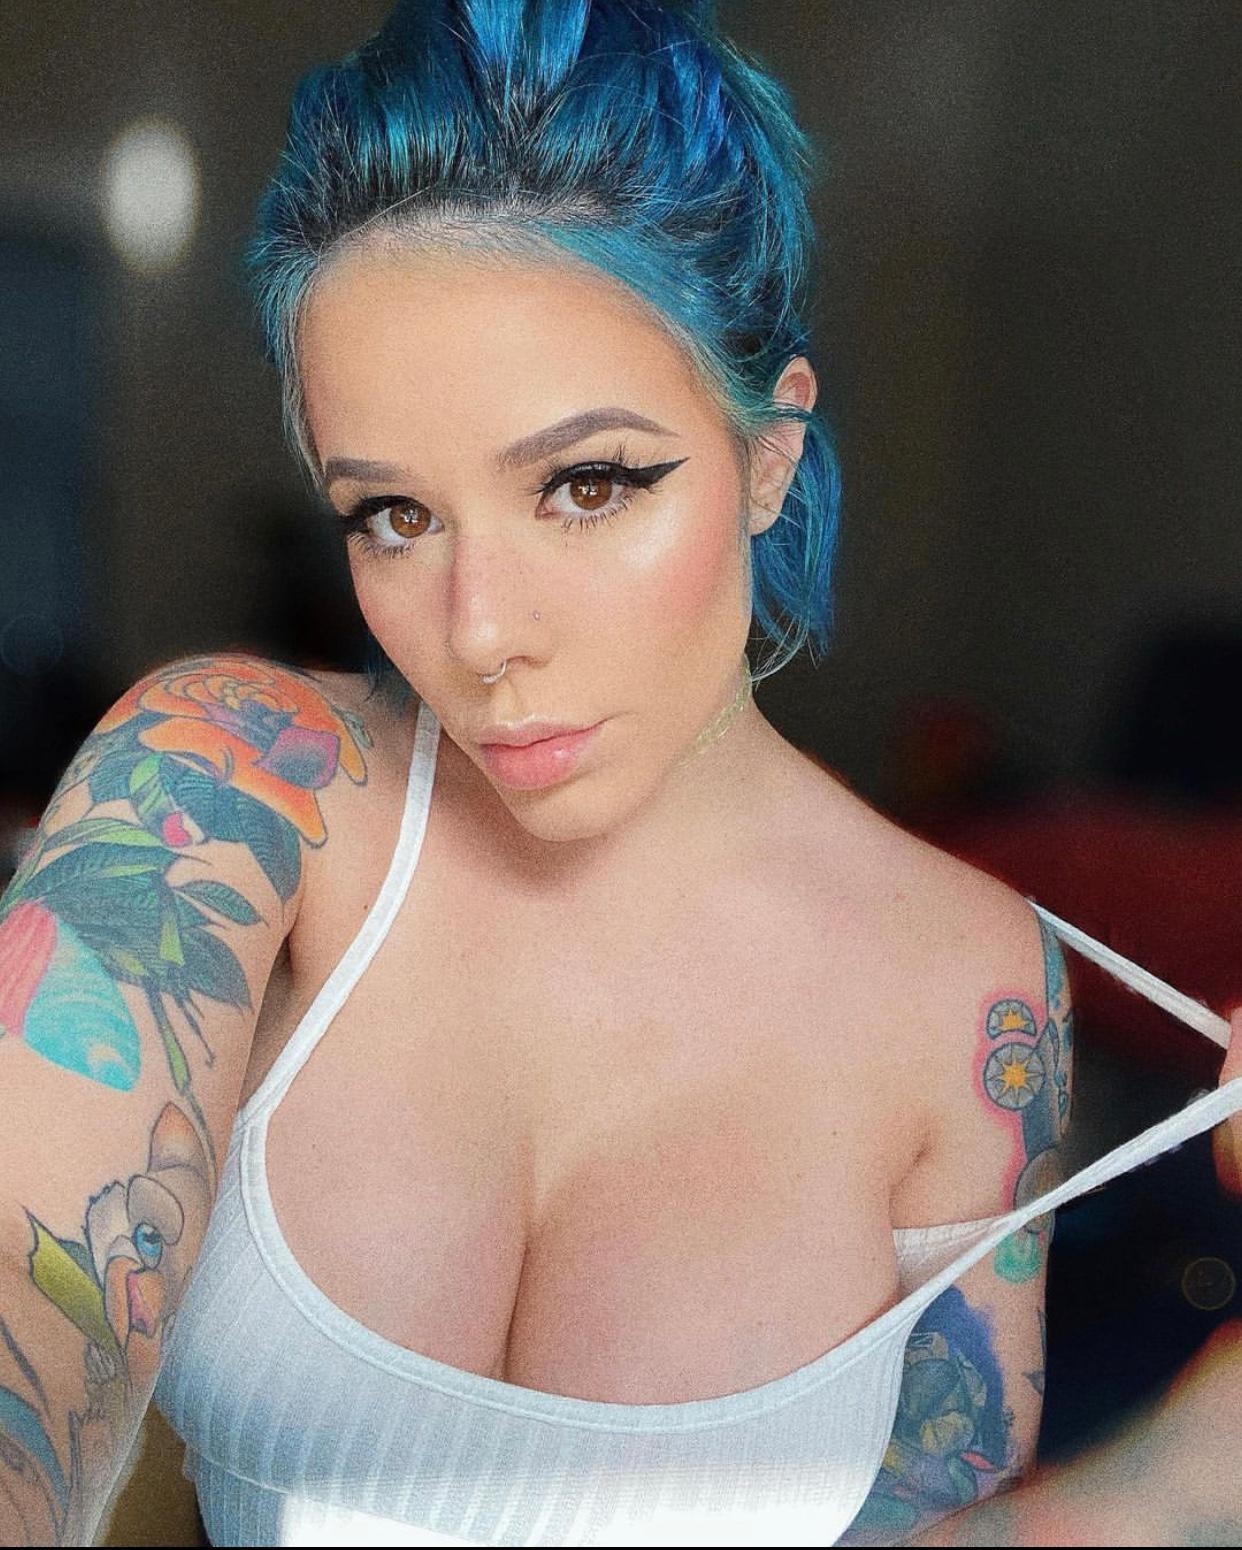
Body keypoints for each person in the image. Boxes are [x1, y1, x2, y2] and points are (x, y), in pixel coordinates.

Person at [0, 2, 1238, 1545]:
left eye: (586, 484)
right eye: (393, 514)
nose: (478, 632)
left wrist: (1180, 1477)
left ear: (767, 454)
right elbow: (23, 1304)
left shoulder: (974, 990)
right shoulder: (231, 788)